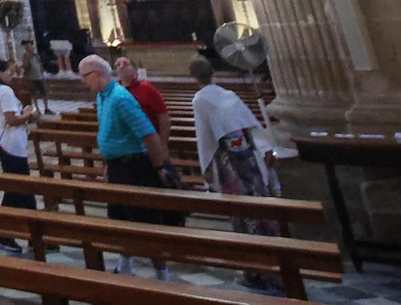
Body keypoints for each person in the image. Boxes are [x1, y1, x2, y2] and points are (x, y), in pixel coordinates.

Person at [78, 54, 178, 279]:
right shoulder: (103, 97)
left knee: (146, 224)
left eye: (84, 76)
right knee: (119, 220)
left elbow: (149, 135)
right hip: (117, 167)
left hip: (134, 169)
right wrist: (108, 167)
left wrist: (159, 167)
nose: (83, 81)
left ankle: (162, 273)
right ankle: (125, 267)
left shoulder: (121, 98)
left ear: (98, 74)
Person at [189, 56, 282, 289]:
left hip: (229, 163)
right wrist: (267, 148)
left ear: (193, 76)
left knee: (242, 214)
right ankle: (275, 264)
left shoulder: (200, 99)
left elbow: (204, 138)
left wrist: (206, 168)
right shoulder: (229, 95)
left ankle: (255, 271)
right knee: (260, 209)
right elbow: (252, 127)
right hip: (249, 160)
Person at [0, 58, 39, 255]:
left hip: (7, 143)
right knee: (19, 190)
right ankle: (9, 234)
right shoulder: (5, 91)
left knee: (21, 190)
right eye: (8, 71)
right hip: (11, 144)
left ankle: (35, 236)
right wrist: (30, 114)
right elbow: (11, 119)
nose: (11, 74)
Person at [114, 56, 171, 149]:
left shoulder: (147, 88)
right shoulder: (114, 90)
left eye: (125, 64)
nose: (121, 67)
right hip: (124, 143)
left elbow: (163, 117)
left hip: (147, 141)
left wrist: (163, 143)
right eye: (118, 65)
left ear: (135, 70)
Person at [20, 40, 51, 114]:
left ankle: (46, 108)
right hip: (31, 77)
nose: (28, 48)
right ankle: (37, 109)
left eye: (30, 47)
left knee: (44, 93)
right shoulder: (25, 56)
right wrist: (27, 57)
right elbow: (25, 66)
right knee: (34, 93)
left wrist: (42, 72)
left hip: (39, 76)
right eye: (27, 47)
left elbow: (39, 63)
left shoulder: (36, 55)